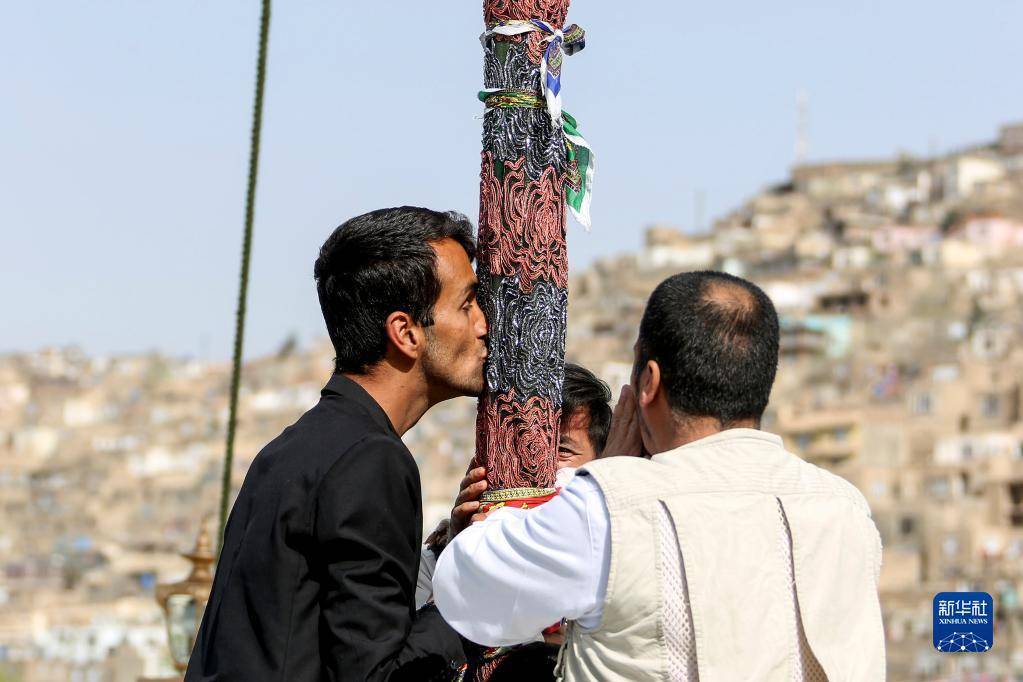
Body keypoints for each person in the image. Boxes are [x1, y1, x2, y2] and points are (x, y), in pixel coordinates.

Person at [434, 271, 885, 681]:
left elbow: (466, 589)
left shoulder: (613, 508)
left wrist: (601, 475)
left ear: (648, 382)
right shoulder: (846, 509)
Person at [186, 207, 488, 682]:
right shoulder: (372, 460)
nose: (483, 324)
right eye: (467, 304)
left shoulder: (293, 450)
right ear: (405, 332)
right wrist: (472, 582)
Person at [414, 362, 612, 611]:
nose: (538, 465)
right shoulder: (432, 564)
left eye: (562, 451)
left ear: (600, 462)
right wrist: (462, 553)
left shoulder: (612, 564)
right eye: (524, 447)